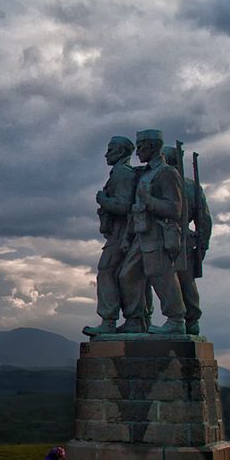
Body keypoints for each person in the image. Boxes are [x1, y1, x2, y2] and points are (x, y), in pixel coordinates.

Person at [116, 129, 187, 334]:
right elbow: (135, 208)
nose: (137, 152)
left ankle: (176, 320)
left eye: (142, 147)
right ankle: (135, 320)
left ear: (154, 147)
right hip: (141, 233)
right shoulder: (146, 174)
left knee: (162, 277)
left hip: (159, 233)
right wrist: (128, 237)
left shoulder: (166, 173)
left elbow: (175, 209)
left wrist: (150, 201)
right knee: (127, 275)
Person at [83, 136, 137, 336]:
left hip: (121, 233)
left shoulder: (122, 174)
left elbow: (124, 206)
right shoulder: (119, 173)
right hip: (119, 233)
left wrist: (103, 200)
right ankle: (133, 319)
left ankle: (109, 321)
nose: (106, 154)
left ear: (122, 152)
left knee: (106, 271)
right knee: (123, 275)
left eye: (110, 150)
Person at [163, 146, 212, 335]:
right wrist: (203, 243)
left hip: (176, 239)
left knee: (183, 280)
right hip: (182, 239)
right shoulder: (192, 186)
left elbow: (204, 218)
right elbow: (205, 220)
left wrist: (202, 244)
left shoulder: (180, 185)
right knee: (184, 281)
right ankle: (191, 321)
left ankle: (190, 321)